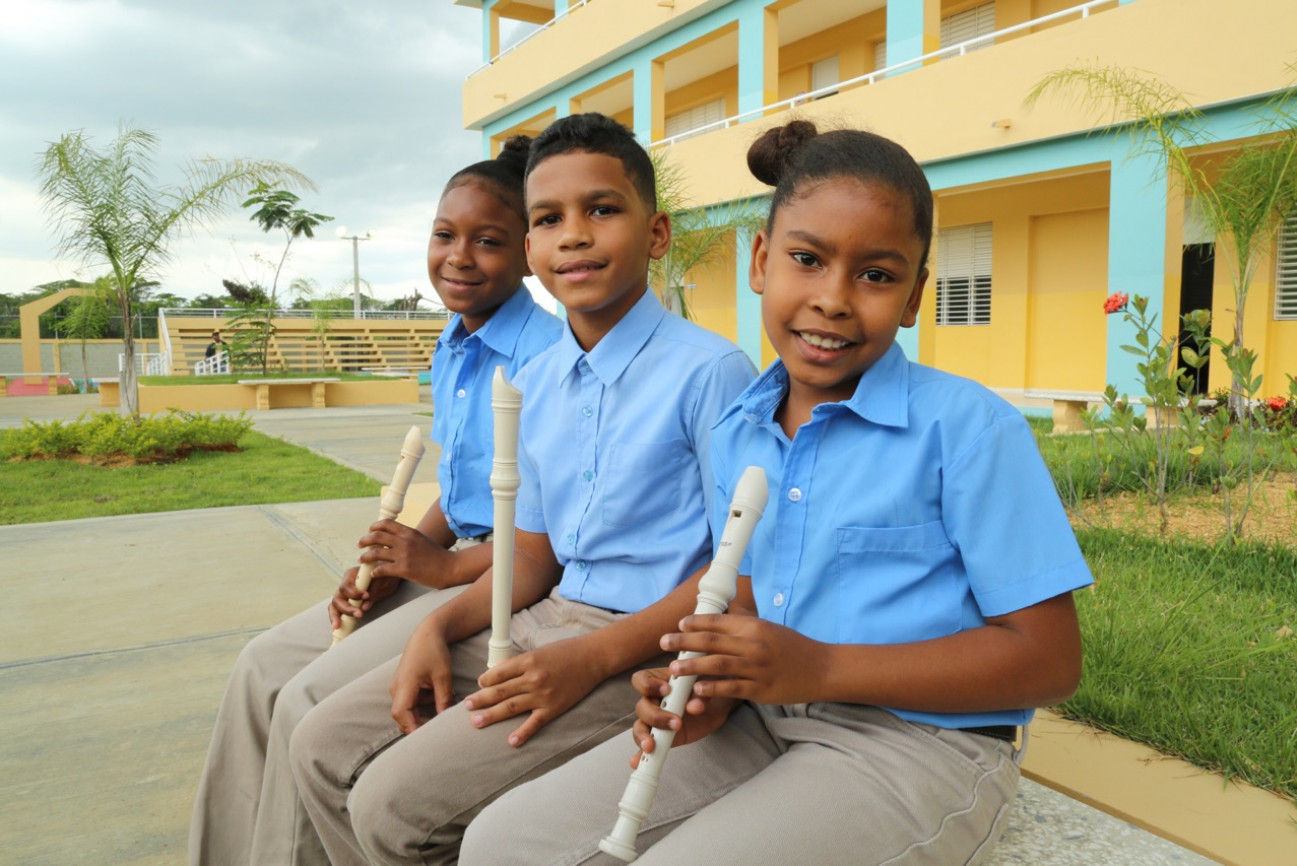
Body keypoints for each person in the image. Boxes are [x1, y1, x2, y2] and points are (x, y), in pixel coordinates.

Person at [457, 121, 1095, 865]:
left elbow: (1051, 661)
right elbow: (751, 594)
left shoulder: (969, 428)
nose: (833, 299)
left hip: (919, 742)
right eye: (807, 259)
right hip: (764, 716)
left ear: (915, 296)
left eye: (876, 275)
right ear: (761, 261)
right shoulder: (739, 430)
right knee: (501, 843)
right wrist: (711, 682)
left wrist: (819, 669)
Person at [288, 113, 756, 866]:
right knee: (318, 744)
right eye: (548, 219)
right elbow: (535, 556)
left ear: (656, 233)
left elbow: (734, 575)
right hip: (544, 616)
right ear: (532, 248)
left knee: (391, 807)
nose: (573, 236)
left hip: (643, 645)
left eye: (601, 209)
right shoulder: (534, 381)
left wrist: (593, 657)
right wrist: (437, 627)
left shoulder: (710, 373)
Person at [188, 135, 563, 866]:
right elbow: (461, 488)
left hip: (505, 577)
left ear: (527, 253)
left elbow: (543, 536)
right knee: (260, 666)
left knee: (304, 701)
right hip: (452, 561)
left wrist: (439, 568)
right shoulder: (454, 342)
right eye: (444, 235)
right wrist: (395, 560)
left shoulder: (546, 356)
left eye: (487, 241)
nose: (458, 257)